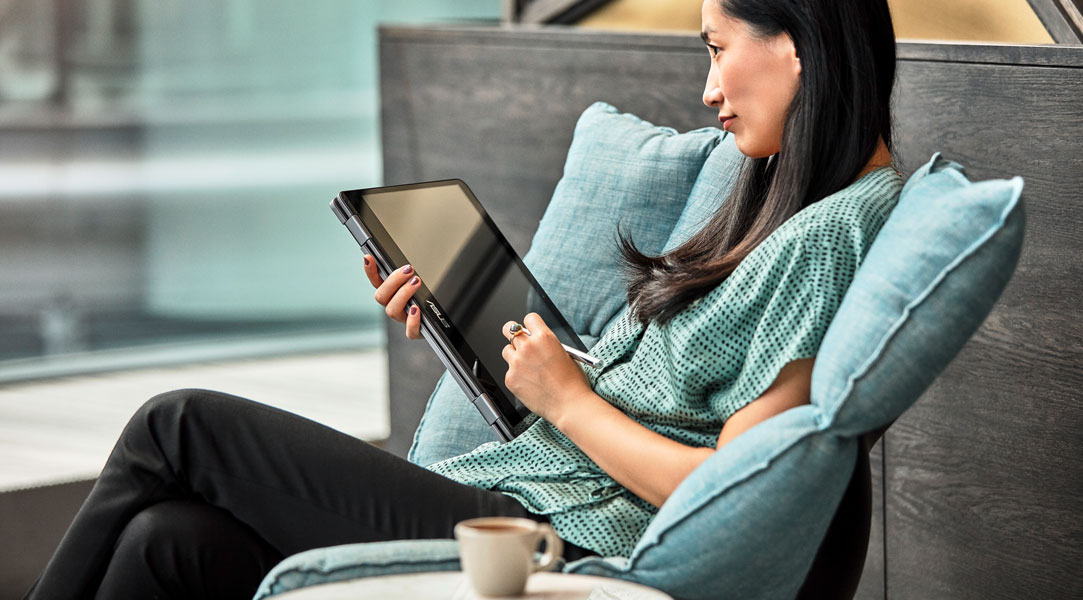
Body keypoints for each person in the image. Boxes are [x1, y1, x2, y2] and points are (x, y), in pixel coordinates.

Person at [26, 0, 900, 597]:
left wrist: (568, 397)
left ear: (797, 43)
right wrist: (481, 338)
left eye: (716, 47)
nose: (708, 89)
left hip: (571, 538)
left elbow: (735, 491)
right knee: (165, 546)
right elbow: (681, 395)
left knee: (175, 424)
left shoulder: (830, 237)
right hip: (545, 489)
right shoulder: (788, 192)